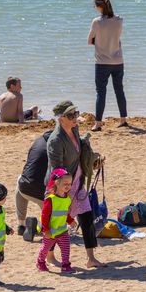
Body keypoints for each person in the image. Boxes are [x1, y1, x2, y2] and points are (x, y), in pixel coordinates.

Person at [46, 100, 107, 268]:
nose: (75, 118)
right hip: (60, 186)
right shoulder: (55, 141)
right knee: (56, 223)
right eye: (70, 115)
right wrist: (62, 190)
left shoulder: (74, 129)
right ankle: (50, 256)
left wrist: (92, 161)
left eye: (75, 113)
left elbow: (80, 151)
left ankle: (91, 258)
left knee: (87, 218)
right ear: (60, 118)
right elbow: (56, 169)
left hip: (77, 182)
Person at [87, 0, 128, 131]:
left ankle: (98, 123)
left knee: (101, 92)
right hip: (118, 61)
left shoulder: (96, 22)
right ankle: (123, 119)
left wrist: (99, 43)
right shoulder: (119, 20)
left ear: (99, 7)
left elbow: (89, 40)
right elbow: (116, 37)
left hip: (102, 62)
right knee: (119, 90)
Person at [37, 169, 75, 273]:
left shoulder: (67, 198)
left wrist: (70, 220)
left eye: (70, 184)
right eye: (65, 183)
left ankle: (65, 265)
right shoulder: (50, 199)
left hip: (62, 230)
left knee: (66, 248)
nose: (68, 186)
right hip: (51, 231)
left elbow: (64, 213)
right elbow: (44, 216)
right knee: (45, 249)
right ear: (57, 182)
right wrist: (46, 230)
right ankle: (40, 262)